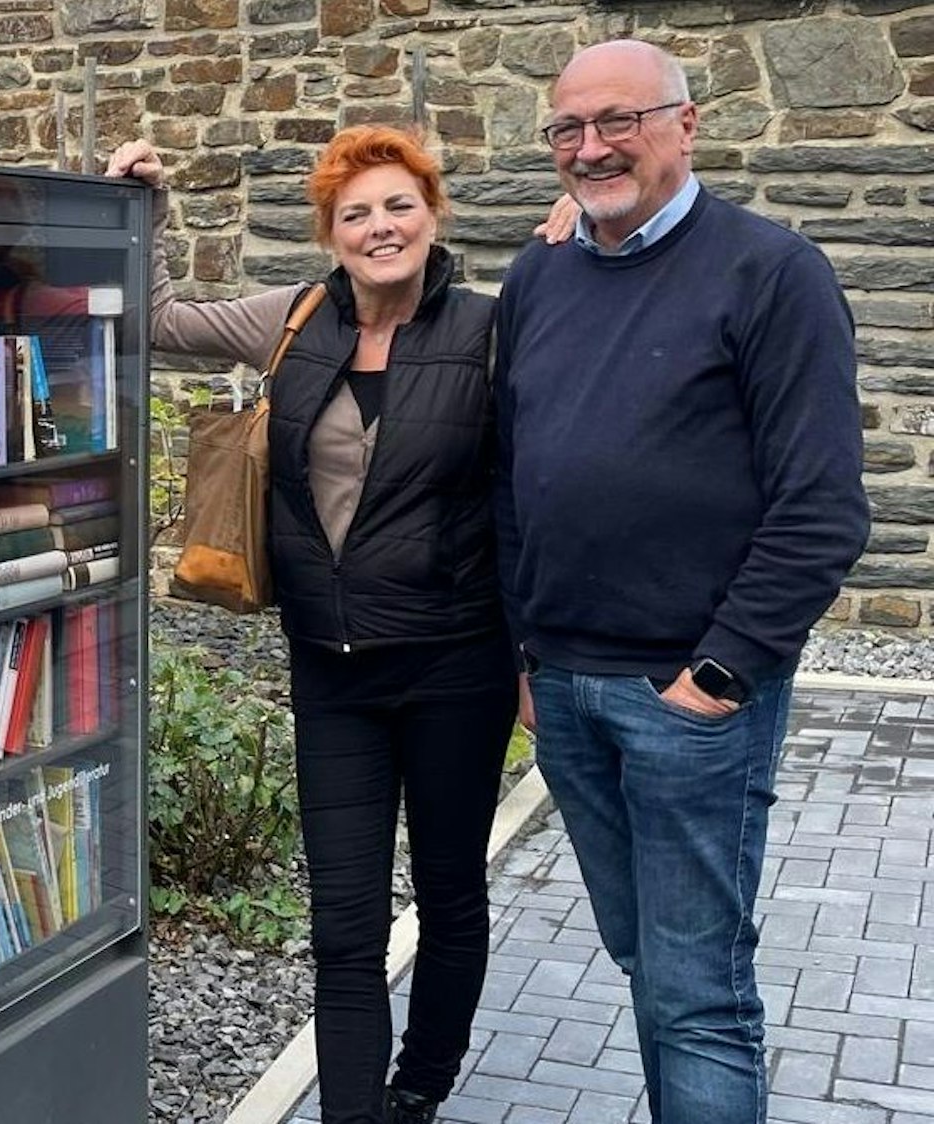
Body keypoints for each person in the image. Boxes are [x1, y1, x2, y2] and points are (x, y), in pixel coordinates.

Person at [109, 127, 519, 1124]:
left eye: (397, 205)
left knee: (448, 892)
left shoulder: (491, 329)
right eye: (355, 213)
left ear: (431, 214)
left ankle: (417, 1085)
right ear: (329, 233)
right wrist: (148, 211)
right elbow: (160, 319)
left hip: (454, 663)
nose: (379, 227)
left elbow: (533, 491)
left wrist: (533, 657)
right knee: (341, 924)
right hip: (331, 669)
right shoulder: (290, 319)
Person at [495, 39, 867, 1124]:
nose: (592, 146)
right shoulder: (538, 272)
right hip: (563, 688)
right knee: (644, 957)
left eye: (619, 120)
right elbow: (513, 472)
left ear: (686, 123)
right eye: (567, 127)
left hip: (687, 698)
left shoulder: (768, 270)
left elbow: (821, 506)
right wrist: (525, 647)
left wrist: (719, 671)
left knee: (696, 989)